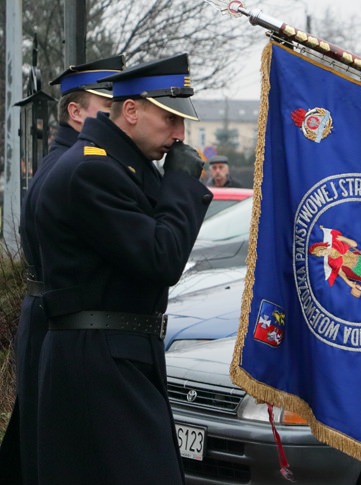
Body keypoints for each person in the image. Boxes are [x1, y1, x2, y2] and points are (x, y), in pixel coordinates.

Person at [33, 53, 211, 485]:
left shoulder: (118, 167)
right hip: (99, 358)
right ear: (130, 110)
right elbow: (161, 257)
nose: (180, 134)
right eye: (170, 119)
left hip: (116, 351)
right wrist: (183, 185)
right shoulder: (93, 171)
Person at [0, 54, 124, 485]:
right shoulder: (81, 165)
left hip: (47, 313)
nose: (119, 120)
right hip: (56, 318)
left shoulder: (70, 157)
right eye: (107, 109)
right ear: (76, 112)